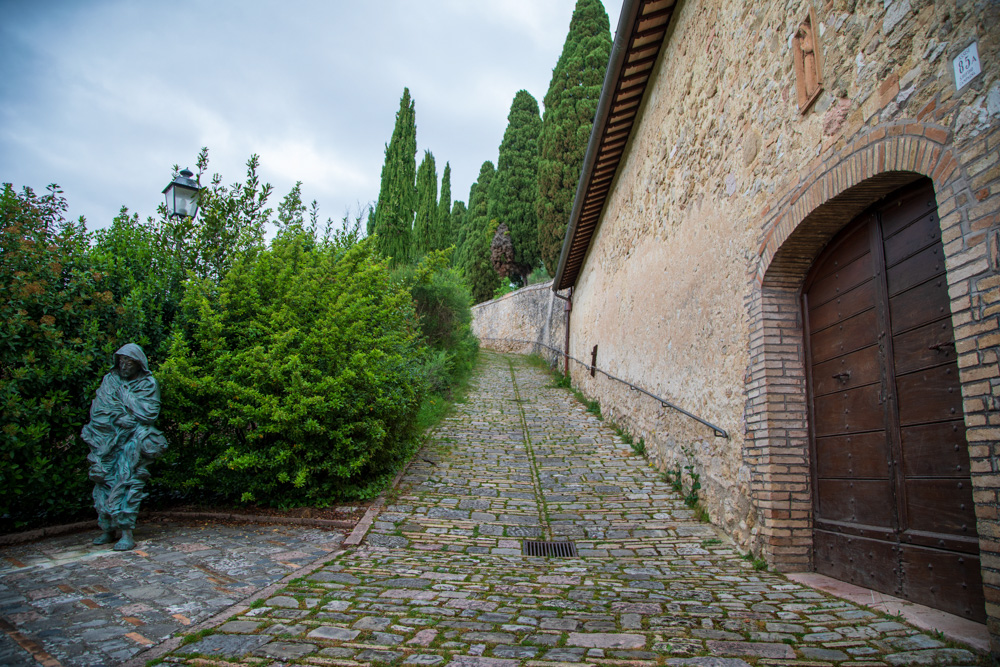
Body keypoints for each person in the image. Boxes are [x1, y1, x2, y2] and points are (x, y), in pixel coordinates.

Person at [81, 343, 168, 551]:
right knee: (102, 481)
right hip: (106, 440)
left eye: (129, 362)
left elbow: (149, 414)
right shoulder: (110, 380)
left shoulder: (148, 383)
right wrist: (117, 417)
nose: (124, 366)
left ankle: (126, 531)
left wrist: (127, 398)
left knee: (128, 481)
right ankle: (107, 528)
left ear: (139, 364)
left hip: (132, 442)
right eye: (121, 361)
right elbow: (99, 410)